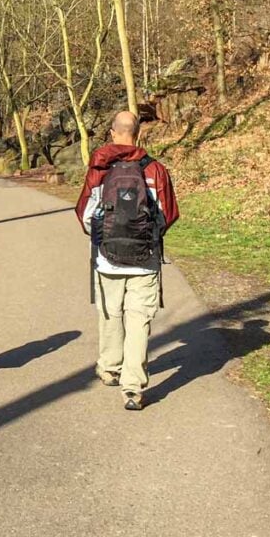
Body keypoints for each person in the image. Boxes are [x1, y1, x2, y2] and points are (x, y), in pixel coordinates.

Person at [75, 110, 179, 411]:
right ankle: (132, 388)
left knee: (111, 312)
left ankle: (109, 367)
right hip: (145, 260)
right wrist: (149, 237)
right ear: (139, 133)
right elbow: (167, 214)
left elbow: (84, 214)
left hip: (107, 258)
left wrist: (101, 237)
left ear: (112, 133)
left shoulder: (100, 169)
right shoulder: (155, 170)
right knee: (138, 320)